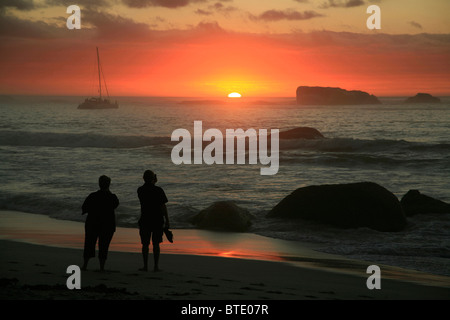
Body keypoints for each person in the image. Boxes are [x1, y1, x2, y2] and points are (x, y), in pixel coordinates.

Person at [81, 175, 119, 271]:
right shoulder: (112, 197)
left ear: (99, 184)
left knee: (89, 244)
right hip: (107, 224)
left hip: (92, 223)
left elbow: (84, 208)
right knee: (104, 246)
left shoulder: (92, 196)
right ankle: (102, 267)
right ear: (109, 185)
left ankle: (85, 265)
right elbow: (115, 205)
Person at [137, 170, 170, 272]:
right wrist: (167, 220)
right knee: (156, 243)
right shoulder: (159, 190)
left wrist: (152, 181)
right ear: (153, 178)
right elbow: (163, 206)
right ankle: (156, 266)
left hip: (145, 218)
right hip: (157, 219)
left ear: (143, 178)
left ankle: (145, 266)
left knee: (145, 244)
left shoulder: (140, 190)